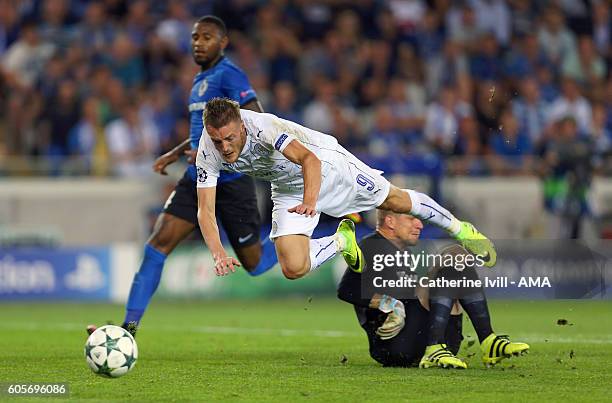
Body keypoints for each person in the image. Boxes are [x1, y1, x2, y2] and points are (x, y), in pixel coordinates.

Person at [87, 16, 277, 337]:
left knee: (255, 264)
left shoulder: (229, 74)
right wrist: (175, 153)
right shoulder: (199, 80)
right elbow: (203, 132)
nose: (198, 43)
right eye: (194, 37)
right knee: (158, 243)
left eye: (207, 37)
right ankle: (129, 327)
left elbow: (256, 115)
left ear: (223, 42)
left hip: (232, 181)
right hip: (197, 176)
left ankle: (309, 231)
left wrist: (223, 151)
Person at [195, 97, 496, 281]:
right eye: (217, 140)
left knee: (394, 200)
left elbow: (308, 160)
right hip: (288, 188)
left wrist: (312, 201)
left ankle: (461, 229)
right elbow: (205, 210)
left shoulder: (263, 128)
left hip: (327, 165)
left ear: (242, 128)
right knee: (293, 267)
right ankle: (342, 240)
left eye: (230, 139)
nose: (224, 147)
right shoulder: (207, 150)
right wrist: (219, 252)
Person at [337, 210, 529, 368]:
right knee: (453, 256)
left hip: (427, 339)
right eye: (412, 219)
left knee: (456, 259)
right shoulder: (372, 245)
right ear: (390, 221)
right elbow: (346, 289)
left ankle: (484, 340)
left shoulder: (402, 252)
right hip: (394, 345)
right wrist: (391, 304)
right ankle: (476, 341)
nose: (419, 225)